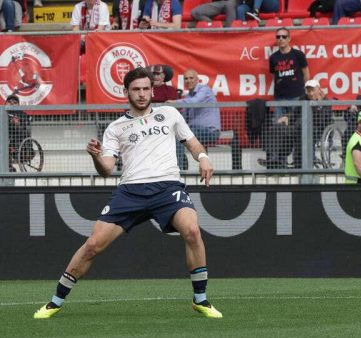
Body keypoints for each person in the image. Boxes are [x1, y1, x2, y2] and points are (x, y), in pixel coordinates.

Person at [33, 67, 222, 319]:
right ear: (126, 92)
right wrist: (96, 157)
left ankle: (201, 300)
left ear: (152, 90)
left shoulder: (169, 113)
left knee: (192, 229)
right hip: (130, 192)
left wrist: (203, 158)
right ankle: (55, 301)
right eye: (136, 89)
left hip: (167, 188)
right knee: (93, 245)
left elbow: (191, 142)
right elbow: (107, 170)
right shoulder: (116, 128)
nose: (142, 94)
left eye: (146, 89)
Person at [260, 79, 333, 169]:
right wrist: (287, 117)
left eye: (313, 90)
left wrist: (319, 105)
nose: (310, 93)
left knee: (300, 124)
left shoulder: (326, 102)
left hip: (316, 129)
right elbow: (295, 113)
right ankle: (275, 159)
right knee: (277, 127)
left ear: (319, 90)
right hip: (298, 127)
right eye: (308, 90)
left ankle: (298, 162)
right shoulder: (303, 99)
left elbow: (324, 120)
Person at [167, 69, 221, 171]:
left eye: (191, 78)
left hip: (210, 132)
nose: (189, 80)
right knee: (174, 134)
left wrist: (174, 102)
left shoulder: (204, 90)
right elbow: (183, 117)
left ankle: (179, 169)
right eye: (186, 78)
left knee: (181, 137)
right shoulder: (188, 97)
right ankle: (179, 164)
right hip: (196, 131)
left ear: (197, 80)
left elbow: (194, 102)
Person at [269, 27, 310, 120]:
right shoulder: (273, 58)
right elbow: (273, 75)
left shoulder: (298, 54)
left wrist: (303, 91)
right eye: (278, 37)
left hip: (296, 96)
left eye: (284, 36)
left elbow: (306, 74)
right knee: (279, 127)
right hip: (279, 97)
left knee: (297, 124)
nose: (281, 39)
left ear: (289, 39)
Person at [6, 94, 32, 171]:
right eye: (9, 101)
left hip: (18, 143)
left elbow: (26, 134)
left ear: (18, 104)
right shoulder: (2, 114)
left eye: (14, 102)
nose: (12, 103)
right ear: (6, 103)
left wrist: (17, 125)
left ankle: (9, 168)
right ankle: (9, 168)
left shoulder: (24, 116)